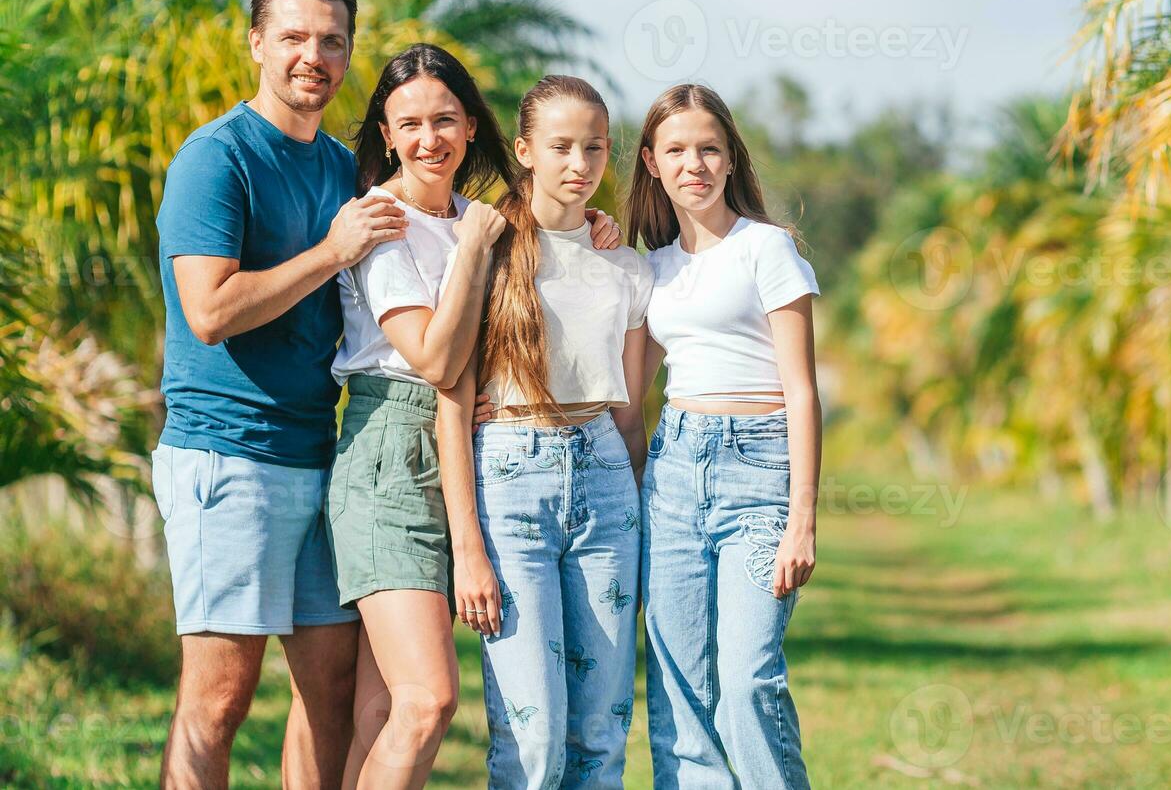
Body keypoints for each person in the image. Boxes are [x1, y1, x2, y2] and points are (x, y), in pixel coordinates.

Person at [327, 45, 621, 788]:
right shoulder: (380, 221)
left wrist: (597, 230)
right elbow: (430, 359)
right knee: (428, 701)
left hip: (467, 443)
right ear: (387, 135)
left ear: (470, 125)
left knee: (381, 712)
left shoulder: (479, 218)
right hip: (393, 454)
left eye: (446, 120)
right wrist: (469, 251)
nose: (431, 139)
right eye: (411, 124)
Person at [153, 0, 386, 788]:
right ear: (257, 43)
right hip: (227, 457)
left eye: (331, 40)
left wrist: (585, 230)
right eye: (292, 36)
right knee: (217, 702)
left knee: (332, 689)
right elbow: (210, 310)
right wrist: (331, 252)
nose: (311, 56)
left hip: (322, 460)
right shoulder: (216, 159)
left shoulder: (340, 167)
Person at [437, 74, 652, 789]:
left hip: (604, 481)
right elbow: (452, 401)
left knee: (601, 735)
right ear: (525, 150)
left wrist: (637, 504)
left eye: (594, 147)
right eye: (560, 146)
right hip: (509, 478)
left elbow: (629, 416)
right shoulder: (485, 250)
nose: (579, 163)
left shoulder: (625, 265)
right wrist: (467, 548)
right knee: (533, 739)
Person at [626, 83, 820, 789]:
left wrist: (802, 519)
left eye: (710, 148)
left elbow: (802, 392)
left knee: (745, 681)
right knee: (678, 690)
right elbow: (630, 395)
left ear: (732, 158)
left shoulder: (767, 250)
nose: (694, 164)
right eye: (676, 150)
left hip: (758, 472)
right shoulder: (651, 269)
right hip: (673, 472)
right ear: (651, 162)